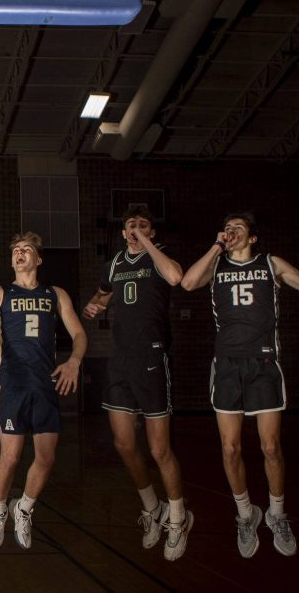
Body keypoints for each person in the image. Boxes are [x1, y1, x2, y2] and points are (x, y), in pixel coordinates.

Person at [180, 212, 299, 558]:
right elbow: (187, 282)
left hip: (264, 364)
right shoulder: (216, 265)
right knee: (230, 449)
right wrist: (215, 246)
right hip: (227, 366)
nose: (231, 231)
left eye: (238, 227)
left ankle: (277, 513)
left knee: (271, 447)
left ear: (253, 237)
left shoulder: (271, 264)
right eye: (227, 227)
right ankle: (246, 514)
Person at [0, 232, 87, 551]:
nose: (19, 253)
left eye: (26, 249)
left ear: (38, 259)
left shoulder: (55, 294)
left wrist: (74, 361)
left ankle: (25, 508)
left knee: (47, 456)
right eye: (15, 250)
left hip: (45, 383)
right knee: (11, 456)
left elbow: (79, 333)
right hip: (13, 383)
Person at [82, 205, 193, 561]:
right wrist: (94, 305)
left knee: (159, 450)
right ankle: (153, 507)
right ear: (122, 232)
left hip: (151, 358)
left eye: (144, 225)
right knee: (124, 443)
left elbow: (176, 277)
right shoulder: (114, 264)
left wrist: (146, 243)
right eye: (131, 225)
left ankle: (179, 517)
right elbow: (103, 294)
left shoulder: (160, 259)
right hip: (120, 360)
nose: (136, 228)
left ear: (152, 232)